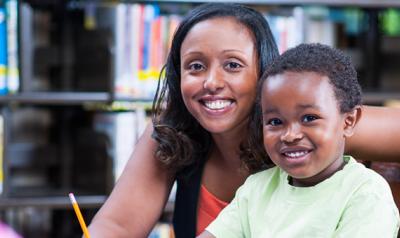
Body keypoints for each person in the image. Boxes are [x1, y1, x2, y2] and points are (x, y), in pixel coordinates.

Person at [88, 3, 400, 238]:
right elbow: (116, 226)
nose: (211, 81)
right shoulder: (173, 131)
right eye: (195, 66)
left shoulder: (310, 125)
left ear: (265, 73)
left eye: (233, 65)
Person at [198, 43, 400, 238]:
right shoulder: (257, 188)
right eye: (275, 121)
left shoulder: (366, 193)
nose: (290, 135)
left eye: (309, 118)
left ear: (348, 121)